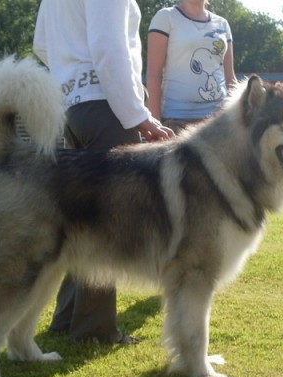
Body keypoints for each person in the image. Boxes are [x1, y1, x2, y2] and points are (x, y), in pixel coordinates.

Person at [33, 0, 174, 344]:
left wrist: (70, 76)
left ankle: (68, 318)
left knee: (81, 221)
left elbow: (41, 43)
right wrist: (136, 113)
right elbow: (108, 46)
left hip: (73, 107)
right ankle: (94, 329)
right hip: (107, 106)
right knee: (109, 224)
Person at [146, 0, 237, 133]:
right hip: (177, 121)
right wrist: (156, 124)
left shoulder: (222, 23)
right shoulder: (165, 17)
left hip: (219, 121)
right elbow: (154, 74)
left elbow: (230, 78)